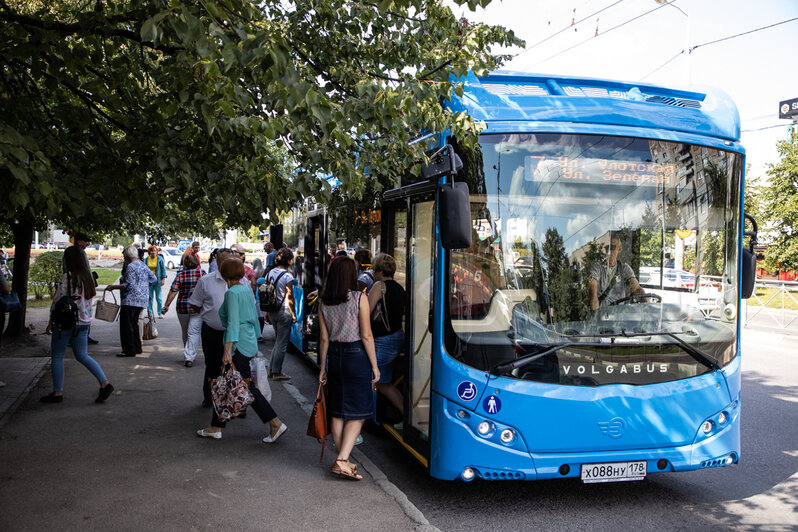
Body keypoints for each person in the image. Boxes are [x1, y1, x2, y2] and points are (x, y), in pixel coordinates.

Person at [196, 258, 287, 442]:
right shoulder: (245, 289)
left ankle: (275, 422)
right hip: (247, 341)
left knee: (243, 385)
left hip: (237, 343)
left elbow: (233, 323)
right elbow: (254, 316)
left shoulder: (232, 293)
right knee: (230, 382)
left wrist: (228, 349)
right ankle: (216, 426)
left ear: (224, 273)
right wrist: (254, 340)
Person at [318, 256, 379, 481]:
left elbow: (323, 339)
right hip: (356, 357)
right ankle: (342, 460)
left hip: (334, 355)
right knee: (359, 410)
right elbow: (366, 335)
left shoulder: (324, 301)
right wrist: (374, 366)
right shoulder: (358, 298)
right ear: (351, 275)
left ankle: (341, 457)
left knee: (337, 409)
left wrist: (322, 367)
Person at [41, 246, 114, 403]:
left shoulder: (68, 277)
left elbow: (57, 301)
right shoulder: (88, 277)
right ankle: (105, 383)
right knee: (82, 355)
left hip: (66, 322)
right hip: (84, 322)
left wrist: (51, 320)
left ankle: (57, 393)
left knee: (58, 356)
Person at [189, 248, 248, 406]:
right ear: (217, 262)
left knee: (237, 368)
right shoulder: (206, 280)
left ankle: (237, 401)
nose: (227, 266)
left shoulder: (243, 282)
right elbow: (195, 304)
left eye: (231, 262)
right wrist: (208, 315)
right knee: (212, 366)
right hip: (212, 332)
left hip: (236, 334)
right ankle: (210, 399)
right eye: (224, 262)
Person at [367, 253, 406, 415]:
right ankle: (406, 414)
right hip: (396, 337)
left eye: (374, 270)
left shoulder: (379, 287)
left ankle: (360, 420)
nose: (373, 274)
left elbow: (365, 312)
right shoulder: (399, 288)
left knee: (368, 379)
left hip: (381, 340)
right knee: (384, 383)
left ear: (380, 271)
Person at [107, 245, 156, 357]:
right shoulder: (143, 265)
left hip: (130, 300)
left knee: (126, 326)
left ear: (126, 256)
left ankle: (128, 350)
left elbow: (128, 285)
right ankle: (137, 347)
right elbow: (154, 279)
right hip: (142, 299)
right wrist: (143, 286)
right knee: (134, 324)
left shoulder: (130, 267)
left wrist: (113, 287)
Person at [162, 254, 206, 367]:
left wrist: (166, 305)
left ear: (185, 264)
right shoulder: (202, 274)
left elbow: (173, 291)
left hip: (182, 307)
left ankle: (188, 354)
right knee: (194, 332)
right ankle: (189, 356)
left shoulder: (180, 275)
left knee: (185, 331)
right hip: (198, 307)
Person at [587, 233, 645, 310]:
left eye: (612, 247)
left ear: (620, 249)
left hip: (619, 315)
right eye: (607, 247)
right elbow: (592, 290)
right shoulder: (597, 267)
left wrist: (647, 306)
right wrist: (596, 315)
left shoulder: (624, 268)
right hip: (602, 313)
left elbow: (636, 289)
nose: (608, 251)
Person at [266, 248, 297, 380]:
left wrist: (267, 312)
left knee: (278, 342)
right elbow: (289, 297)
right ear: (289, 260)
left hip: (272, 311)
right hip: (284, 312)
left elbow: (267, 294)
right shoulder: (287, 276)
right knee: (282, 343)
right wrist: (294, 314)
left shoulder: (270, 273)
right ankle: (277, 372)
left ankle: (272, 370)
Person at [69, 232, 99, 344]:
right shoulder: (75, 253)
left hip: (85, 286)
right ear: (79, 241)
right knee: (79, 311)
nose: (87, 243)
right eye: (85, 241)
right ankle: (78, 336)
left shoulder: (81, 253)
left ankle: (84, 335)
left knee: (85, 310)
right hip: (79, 286)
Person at [144, 245, 168, 318]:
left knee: (159, 298)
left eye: (154, 250)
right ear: (149, 252)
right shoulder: (146, 259)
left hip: (158, 281)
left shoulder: (159, 259)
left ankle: (160, 313)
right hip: (149, 281)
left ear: (157, 252)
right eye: (151, 250)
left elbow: (163, 270)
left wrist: (163, 279)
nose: (153, 252)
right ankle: (149, 313)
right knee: (149, 298)